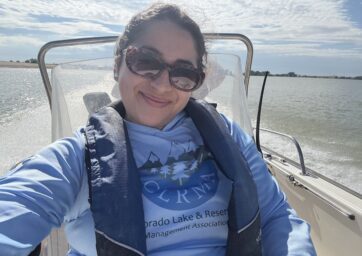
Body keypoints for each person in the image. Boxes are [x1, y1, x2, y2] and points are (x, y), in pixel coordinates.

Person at [0, 3, 316, 256]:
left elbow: (275, 215)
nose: (162, 83)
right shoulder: (77, 157)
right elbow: (16, 204)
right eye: (146, 60)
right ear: (117, 64)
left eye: (183, 72)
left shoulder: (229, 136)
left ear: (196, 81)